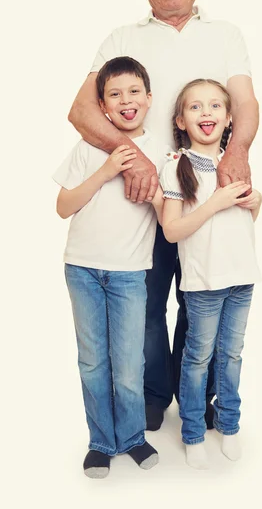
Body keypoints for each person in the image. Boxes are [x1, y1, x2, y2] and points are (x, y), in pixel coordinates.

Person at [68, 0, 259, 430]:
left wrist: (236, 150)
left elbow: (246, 102)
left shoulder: (226, 34)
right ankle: (155, 395)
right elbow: (82, 110)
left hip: (209, 196)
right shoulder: (122, 38)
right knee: (149, 305)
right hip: (142, 201)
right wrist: (135, 162)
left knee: (205, 299)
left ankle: (203, 396)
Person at [53, 57, 165, 478]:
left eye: (134, 92)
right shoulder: (88, 147)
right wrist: (105, 170)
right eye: (114, 95)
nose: (125, 101)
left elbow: (169, 217)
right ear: (102, 106)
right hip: (82, 269)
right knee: (93, 361)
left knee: (129, 363)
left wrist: (148, 181)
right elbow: (63, 207)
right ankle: (101, 441)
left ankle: (133, 437)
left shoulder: (160, 152)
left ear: (149, 98)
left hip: (130, 272)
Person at [160, 78, 262, 469]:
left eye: (215, 106)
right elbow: (172, 230)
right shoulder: (176, 167)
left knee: (232, 354)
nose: (207, 113)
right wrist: (216, 202)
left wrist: (255, 203)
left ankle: (230, 424)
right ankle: (192, 432)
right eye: (196, 107)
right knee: (198, 357)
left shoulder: (234, 163)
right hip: (204, 283)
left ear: (230, 117)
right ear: (181, 120)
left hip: (242, 278)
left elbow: (244, 222)